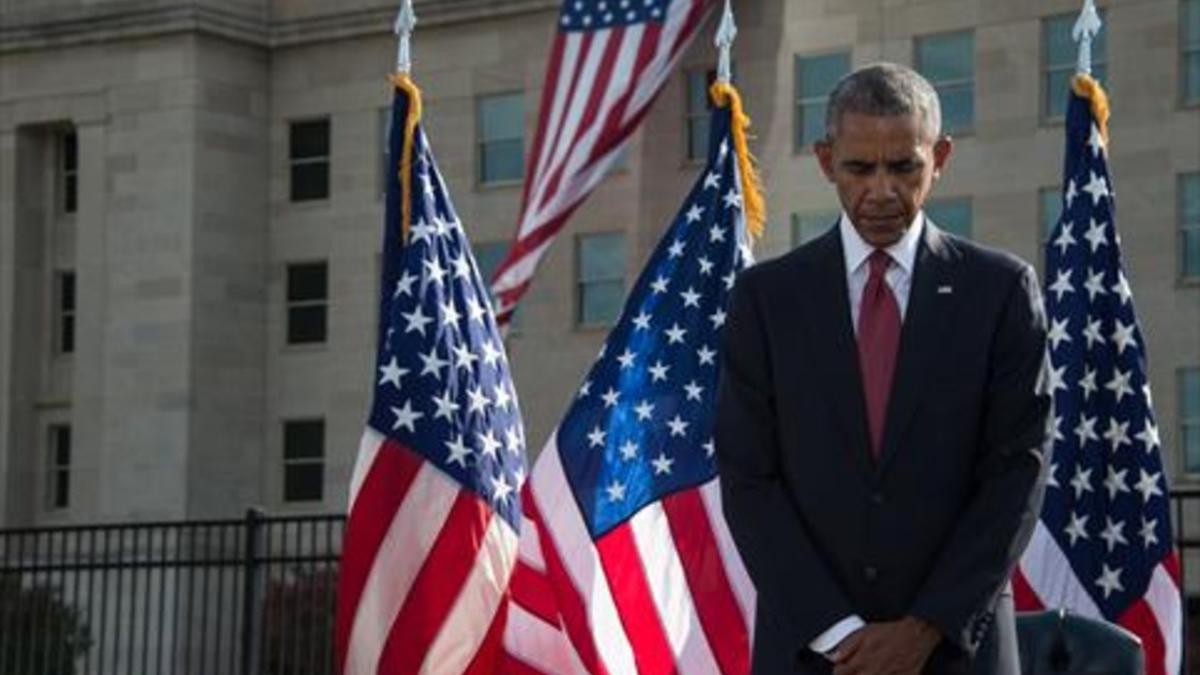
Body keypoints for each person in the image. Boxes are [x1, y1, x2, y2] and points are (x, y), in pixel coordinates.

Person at [715, 62, 1051, 675]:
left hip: (956, 650)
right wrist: (840, 633)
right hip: (811, 653)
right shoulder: (767, 300)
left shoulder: (999, 292)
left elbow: (1016, 476)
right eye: (859, 168)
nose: (881, 191)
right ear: (825, 160)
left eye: (903, 167)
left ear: (940, 156)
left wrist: (924, 629)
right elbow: (748, 479)